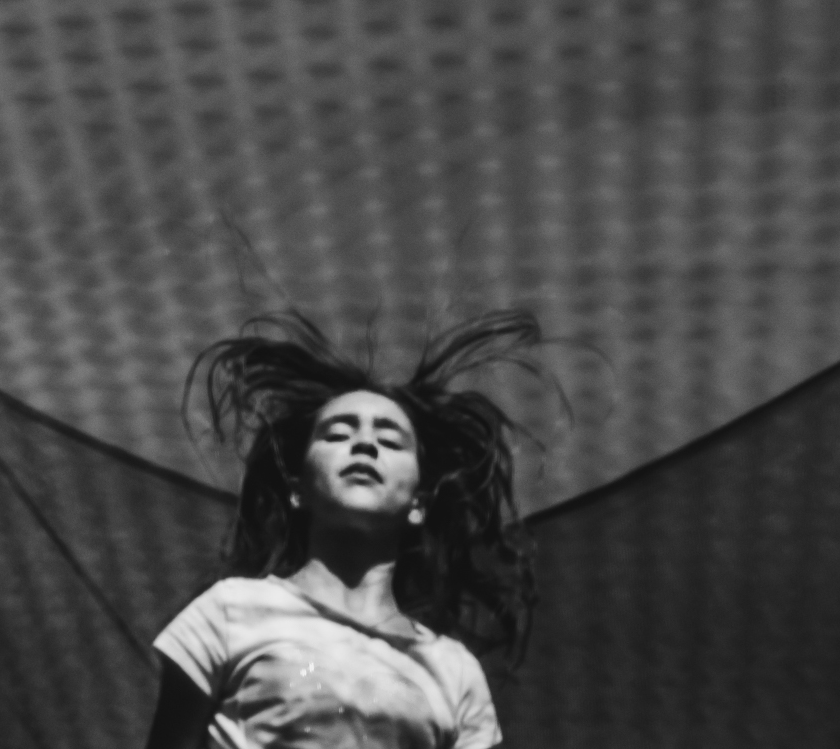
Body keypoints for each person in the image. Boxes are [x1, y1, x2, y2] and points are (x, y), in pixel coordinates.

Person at [145, 310, 543, 749]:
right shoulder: (230, 611)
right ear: (297, 491)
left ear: (419, 504)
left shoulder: (454, 670)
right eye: (337, 434)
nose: (365, 444)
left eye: (391, 441)